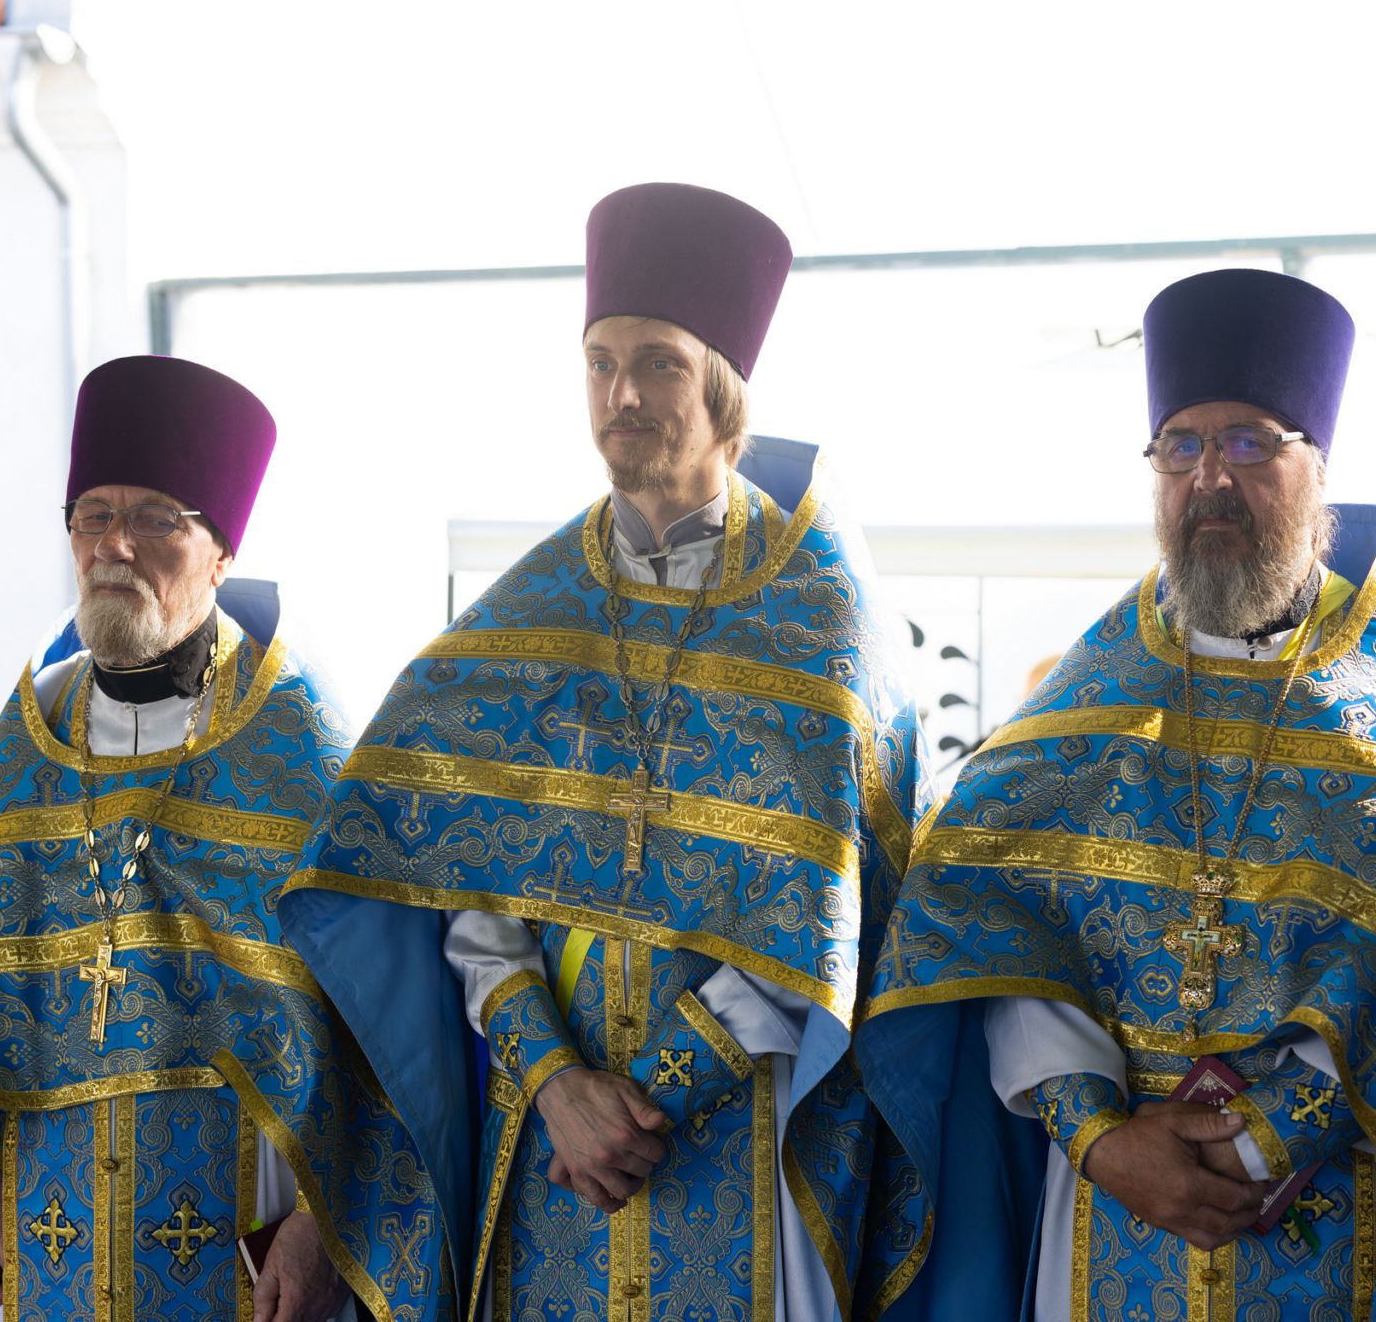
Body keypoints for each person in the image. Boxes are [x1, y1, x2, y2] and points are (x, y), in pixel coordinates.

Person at [280, 181, 937, 1321]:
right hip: (546, 1148)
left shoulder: (824, 618)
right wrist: (553, 1080)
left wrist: (652, 1094)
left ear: (724, 389)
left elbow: (829, 911)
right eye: (599, 362)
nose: (620, 394)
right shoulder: (528, 610)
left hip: (747, 1137)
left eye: (657, 364)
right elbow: (464, 877)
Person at [860, 268, 1376, 1320]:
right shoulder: (1080, 715)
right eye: (1179, 446)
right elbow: (999, 933)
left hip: (1325, 1210)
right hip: (1106, 1204)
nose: (1209, 478)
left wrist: (1267, 1136)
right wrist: (1096, 1135)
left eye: (1248, 442)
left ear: (1317, 469)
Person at [0, 356, 451, 1321]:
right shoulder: (32, 734)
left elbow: (387, 1026)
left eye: (155, 519)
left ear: (221, 551)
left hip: (242, 1244)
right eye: (92, 516)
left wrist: (325, 1226)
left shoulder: (297, 738)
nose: (114, 544)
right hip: (50, 1235)